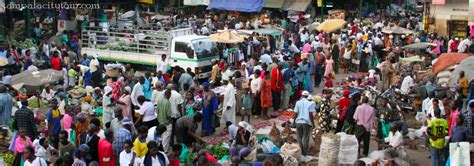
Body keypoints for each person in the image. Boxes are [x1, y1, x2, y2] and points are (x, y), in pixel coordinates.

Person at [293, 91, 315, 162]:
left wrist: (294, 121)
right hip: (306, 123)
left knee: (299, 138)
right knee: (305, 138)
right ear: (307, 96)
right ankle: (304, 154)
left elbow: (296, 113)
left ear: (302, 96)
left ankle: (300, 152)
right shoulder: (310, 103)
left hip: (298, 122)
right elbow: (310, 115)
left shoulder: (298, 102)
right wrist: (313, 123)